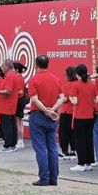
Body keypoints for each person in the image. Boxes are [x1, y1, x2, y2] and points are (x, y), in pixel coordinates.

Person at [28, 55, 64, 186]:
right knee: (52, 148)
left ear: (36, 64)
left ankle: (44, 178)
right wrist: (52, 110)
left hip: (38, 116)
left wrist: (45, 110)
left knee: (41, 148)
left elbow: (34, 99)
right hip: (52, 117)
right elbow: (61, 97)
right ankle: (53, 178)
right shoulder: (56, 79)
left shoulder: (34, 79)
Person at [69, 64, 98, 172]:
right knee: (89, 139)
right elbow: (97, 100)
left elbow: (75, 101)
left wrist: (70, 98)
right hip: (90, 116)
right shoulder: (92, 85)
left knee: (80, 141)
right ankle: (88, 163)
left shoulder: (75, 85)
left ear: (77, 74)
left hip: (79, 116)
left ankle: (81, 163)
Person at [0, 59, 20, 153]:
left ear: (7, 67)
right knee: (11, 125)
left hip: (6, 106)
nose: (1, 68)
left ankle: (7, 145)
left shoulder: (10, 76)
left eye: (2, 66)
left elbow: (8, 91)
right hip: (9, 106)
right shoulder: (13, 75)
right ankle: (12, 145)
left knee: (7, 126)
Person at [58, 66, 77, 159]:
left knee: (63, 132)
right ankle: (73, 151)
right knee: (73, 132)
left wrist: (59, 100)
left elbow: (65, 99)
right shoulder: (78, 84)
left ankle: (64, 151)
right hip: (75, 112)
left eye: (65, 75)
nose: (64, 76)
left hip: (66, 112)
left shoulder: (67, 85)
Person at [14, 62, 28, 149]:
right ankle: (20, 140)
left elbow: (20, 92)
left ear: (16, 69)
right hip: (20, 101)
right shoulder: (20, 78)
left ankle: (20, 140)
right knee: (20, 121)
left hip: (18, 101)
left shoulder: (18, 78)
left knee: (18, 122)